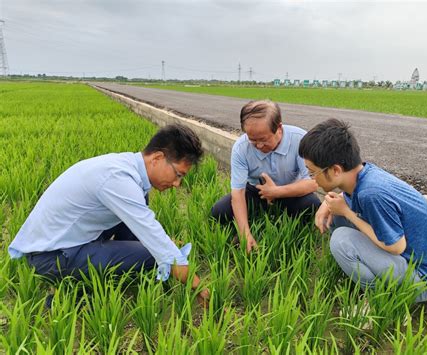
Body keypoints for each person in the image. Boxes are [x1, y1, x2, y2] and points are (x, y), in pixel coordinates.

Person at [9, 124, 209, 304]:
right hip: (51, 258)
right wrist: (197, 286)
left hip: (62, 243)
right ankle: (70, 297)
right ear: (157, 158)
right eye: (178, 174)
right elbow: (157, 242)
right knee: (153, 254)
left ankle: (118, 271)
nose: (177, 184)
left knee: (144, 210)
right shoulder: (118, 179)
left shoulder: (125, 167)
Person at [298, 118, 427, 302]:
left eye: (313, 172)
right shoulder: (363, 175)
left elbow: (395, 246)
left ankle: (377, 299)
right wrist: (327, 205)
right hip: (409, 263)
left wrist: (346, 212)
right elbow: (346, 200)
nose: (311, 177)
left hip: (422, 282)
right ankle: (360, 277)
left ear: (336, 170)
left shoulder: (371, 194)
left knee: (341, 239)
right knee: (338, 217)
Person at [211, 100, 321, 253]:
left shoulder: (300, 140)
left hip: (290, 190)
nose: (259, 145)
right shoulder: (241, 148)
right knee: (219, 211)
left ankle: (289, 225)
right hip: (256, 191)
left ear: (279, 128)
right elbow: (238, 193)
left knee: (312, 206)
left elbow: (312, 183)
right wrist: (244, 233)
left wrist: (276, 192)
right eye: (252, 140)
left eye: (263, 139)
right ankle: (252, 222)